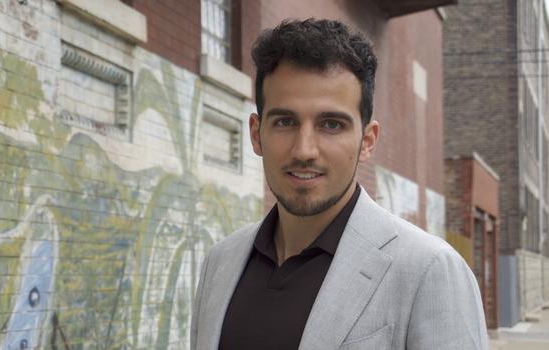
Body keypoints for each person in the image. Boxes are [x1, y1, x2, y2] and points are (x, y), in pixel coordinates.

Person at [190, 18, 488, 350]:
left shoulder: (429, 271)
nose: (304, 150)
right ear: (256, 134)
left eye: (331, 124)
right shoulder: (220, 262)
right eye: (285, 122)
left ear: (368, 140)